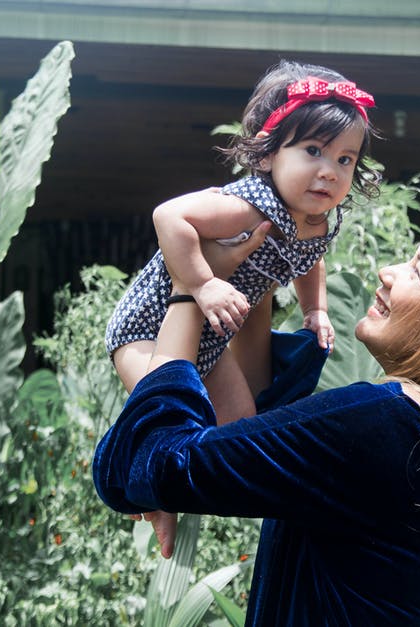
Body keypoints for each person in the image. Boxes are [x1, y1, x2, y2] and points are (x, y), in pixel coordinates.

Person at [94, 215, 420, 625]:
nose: (387, 272)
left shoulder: (390, 427)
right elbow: (255, 425)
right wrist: (255, 272)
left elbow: (150, 464)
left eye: (418, 273)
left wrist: (187, 290)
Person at [104, 60, 380, 557]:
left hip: (214, 340)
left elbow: (309, 260)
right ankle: (152, 499)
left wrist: (315, 310)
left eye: (345, 159)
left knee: (236, 426)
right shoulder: (253, 204)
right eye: (313, 151)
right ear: (271, 152)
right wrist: (204, 284)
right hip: (147, 327)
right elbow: (169, 217)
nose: (329, 171)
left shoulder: (320, 218)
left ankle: (186, 496)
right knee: (160, 417)